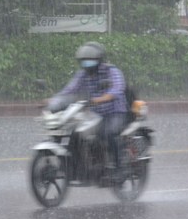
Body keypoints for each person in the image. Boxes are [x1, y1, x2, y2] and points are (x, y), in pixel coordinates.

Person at [50, 41, 129, 181]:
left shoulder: (112, 72)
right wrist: (54, 100)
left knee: (108, 134)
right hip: (94, 113)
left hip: (115, 112)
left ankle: (120, 168)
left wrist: (99, 99)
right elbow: (70, 89)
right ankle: (76, 170)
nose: (87, 64)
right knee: (74, 133)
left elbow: (117, 90)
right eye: (84, 62)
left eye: (90, 61)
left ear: (99, 60)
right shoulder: (83, 74)